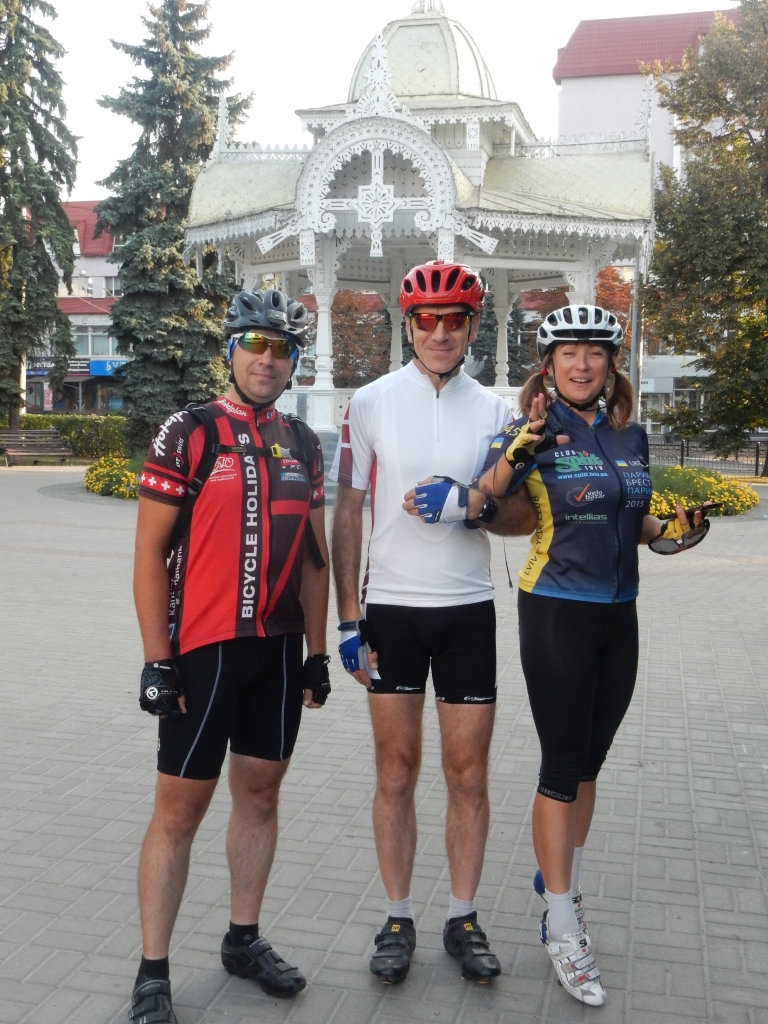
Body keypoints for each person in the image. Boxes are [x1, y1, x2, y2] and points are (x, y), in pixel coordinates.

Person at [475, 303, 715, 1006]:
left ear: (611, 364)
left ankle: (561, 884)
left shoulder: (628, 433)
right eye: (568, 353)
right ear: (548, 365)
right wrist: (514, 455)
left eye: (595, 352)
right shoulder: (530, 430)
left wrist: (670, 531)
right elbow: (484, 501)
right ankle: (560, 925)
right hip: (556, 609)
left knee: (590, 764)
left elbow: (627, 520)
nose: (582, 364)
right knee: (561, 764)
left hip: (620, 613)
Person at [330, 260, 537, 986]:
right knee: (395, 770)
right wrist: (347, 621)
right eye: (427, 320)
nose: (440, 333)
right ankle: (397, 917)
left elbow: (524, 515)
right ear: (409, 325)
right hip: (390, 610)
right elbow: (347, 510)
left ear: (474, 326)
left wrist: (471, 507)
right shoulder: (369, 403)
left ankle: (462, 915)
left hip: (466, 611)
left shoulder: (500, 414)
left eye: (454, 320)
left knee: (467, 773)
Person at [129, 289, 331, 1024]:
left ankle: (242, 940)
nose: (266, 359)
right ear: (231, 350)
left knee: (261, 796)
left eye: (281, 348)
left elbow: (312, 559)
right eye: (254, 343)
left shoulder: (303, 442)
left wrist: (316, 653)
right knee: (179, 811)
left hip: (276, 654)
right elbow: (149, 554)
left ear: (294, 362)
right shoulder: (190, 431)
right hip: (202, 653)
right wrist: (157, 660)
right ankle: (153, 970)